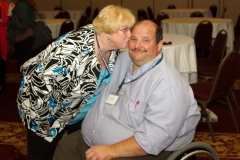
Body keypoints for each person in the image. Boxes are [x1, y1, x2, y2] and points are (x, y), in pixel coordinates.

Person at [53, 20, 201, 160]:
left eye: (145, 40)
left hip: (142, 150)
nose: (137, 45)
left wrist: (111, 151)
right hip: (92, 140)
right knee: (65, 147)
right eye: (134, 39)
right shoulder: (122, 59)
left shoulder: (169, 85)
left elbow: (153, 139)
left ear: (159, 44)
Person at [16, 5, 135, 160]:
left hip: (77, 110)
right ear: (107, 31)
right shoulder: (72, 50)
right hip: (48, 113)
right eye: (125, 30)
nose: (130, 35)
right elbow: (35, 82)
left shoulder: (113, 48)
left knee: (77, 150)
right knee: (44, 154)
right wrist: (43, 119)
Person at [7, 0, 36, 69]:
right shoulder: (24, 3)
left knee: (24, 65)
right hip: (25, 36)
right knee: (26, 63)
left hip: (22, 37)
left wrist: (10, 13)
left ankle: (28, 79)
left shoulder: (21, 4)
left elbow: (22, 24)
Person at [0, 0, 8, 92]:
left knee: (1, 60)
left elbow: (5, 21)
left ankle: (1, 82)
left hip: (1, 35)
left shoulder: (4, 5)